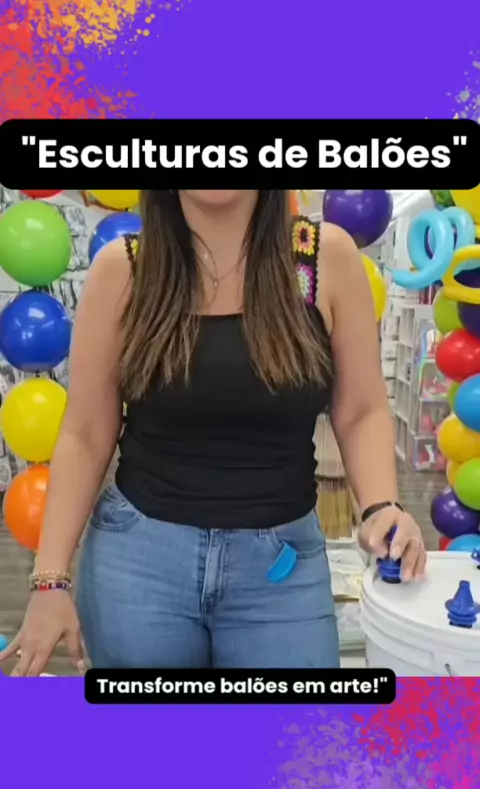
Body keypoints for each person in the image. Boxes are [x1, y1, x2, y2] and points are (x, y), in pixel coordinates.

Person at [0, 190, 426, 676]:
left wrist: (381, 505)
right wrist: (50, 581)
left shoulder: (324, 258)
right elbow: (85, 433)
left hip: (280, 569)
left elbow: (362, 409)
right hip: (139, 568)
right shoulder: (125, 271)